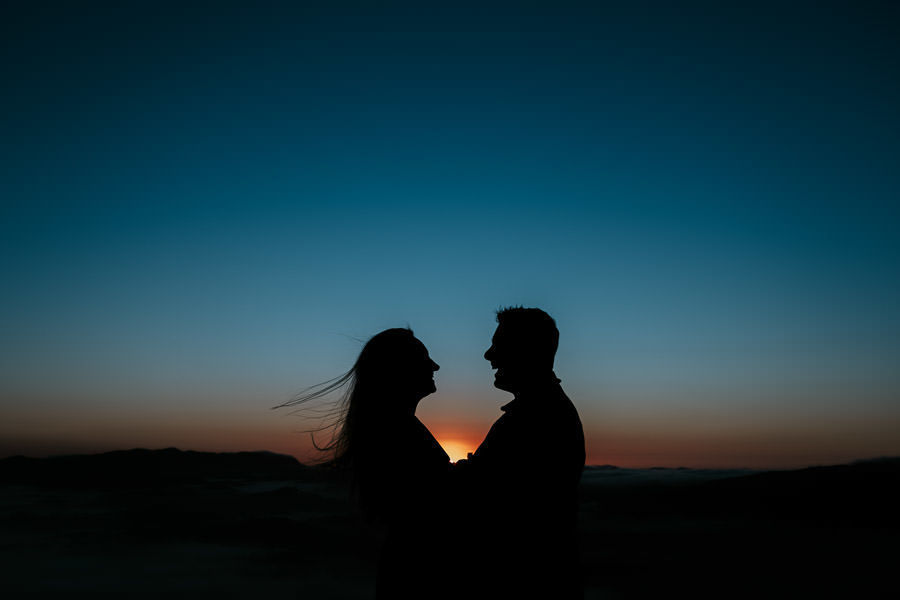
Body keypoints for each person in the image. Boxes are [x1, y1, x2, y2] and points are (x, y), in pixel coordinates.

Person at [277, 328, 450, 599]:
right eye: (424, 358)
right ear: (396, 369)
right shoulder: (395, 431)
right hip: (416, 573)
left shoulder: (388, 428)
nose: (435, 366)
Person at [457, 307, 586, 598]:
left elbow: (491, 500)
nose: (488, 355)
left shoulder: (537, 418)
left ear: (529, 351)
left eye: (499, 345)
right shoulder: (541, 411)